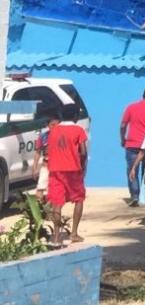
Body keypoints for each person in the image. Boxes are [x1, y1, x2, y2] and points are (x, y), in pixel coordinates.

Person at [46, 104, 88, 246]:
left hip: (55, 170)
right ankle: (74, 233)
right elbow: (83, 151)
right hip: (73, 170)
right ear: (75, 116)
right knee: (79, 199)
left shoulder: (53, 130)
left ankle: (56, 237)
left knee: (57, 203)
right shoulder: (78, 130)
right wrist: (83, 165)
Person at [120, 85, 145, 206]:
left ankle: (135, 195)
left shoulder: (131, 107)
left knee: (132, 170)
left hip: (132, 144)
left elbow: (123, 125)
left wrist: (123, 139)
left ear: (143, 94)